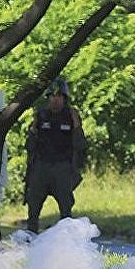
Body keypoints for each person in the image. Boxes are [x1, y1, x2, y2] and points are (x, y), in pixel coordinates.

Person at [24, 77, 88, 233]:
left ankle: (65, 242)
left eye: (59, 96)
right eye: (52, 96)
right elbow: (29, 146)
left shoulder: (71, 116)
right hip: (41, 166)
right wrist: (33, 127)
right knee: (33, 208)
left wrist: (76, 125)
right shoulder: (41, 115)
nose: (55, 100)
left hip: (63, 167)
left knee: (66, 209)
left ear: (64, 98)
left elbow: (81, 146)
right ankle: (31, 238)